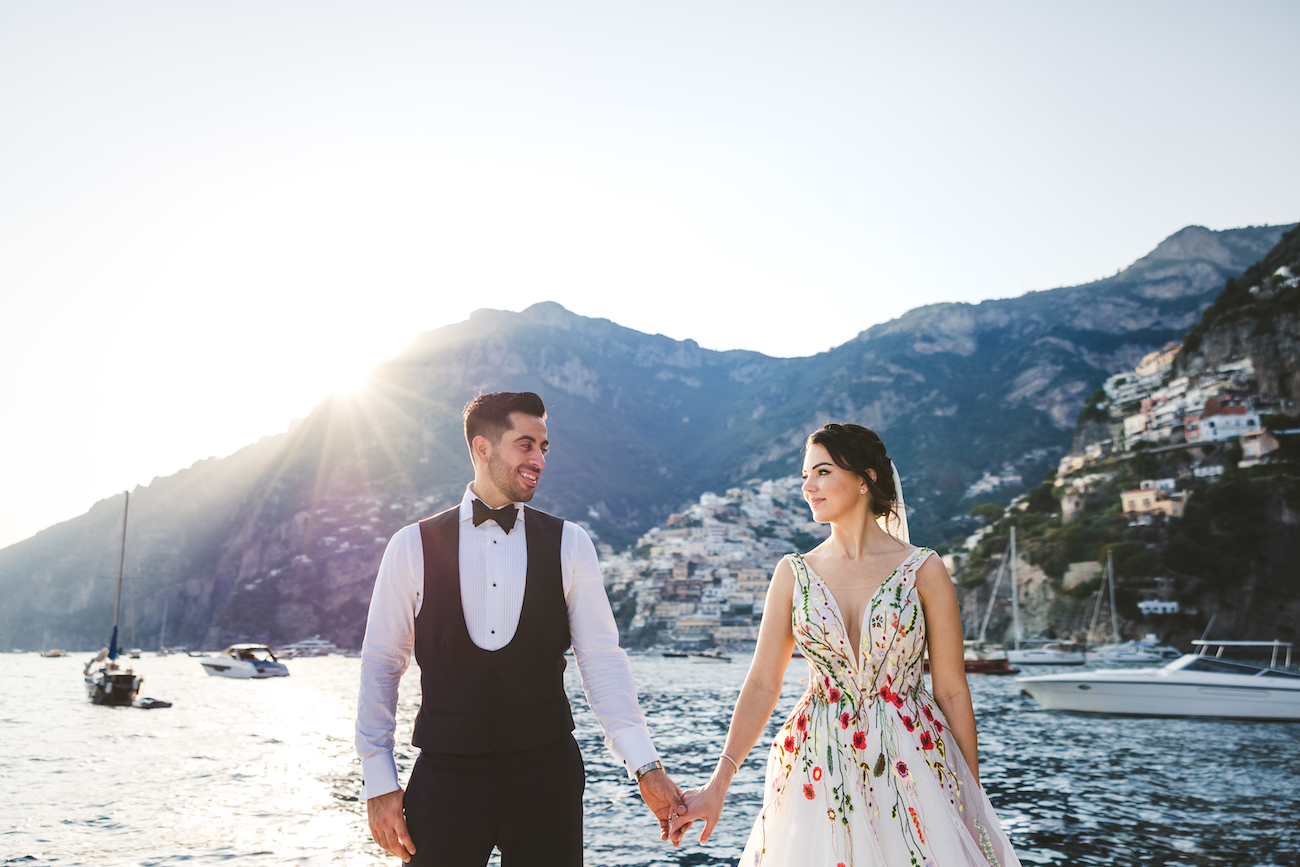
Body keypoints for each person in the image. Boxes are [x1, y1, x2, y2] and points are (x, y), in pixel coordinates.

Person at [355, 391, 688, 865]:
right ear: (481, 448)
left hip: (546, 777)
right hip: (445, 779)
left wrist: (646, 767)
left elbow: (602, 661)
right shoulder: (411, 546)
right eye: (525, 444)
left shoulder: (570, 544)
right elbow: (382, 663)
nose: (539, 460)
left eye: (544, 447)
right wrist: (379, 781)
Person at [668, 423, 1021, 867]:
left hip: (913, 765)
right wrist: (718, 783)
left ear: (865, 478)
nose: (808, 487)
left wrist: (972, 795)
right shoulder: (792, 574)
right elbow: (761, 683)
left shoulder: (924, 571)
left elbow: (951, 689)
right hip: (817, 764)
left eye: (821, 472)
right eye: (804, 477)